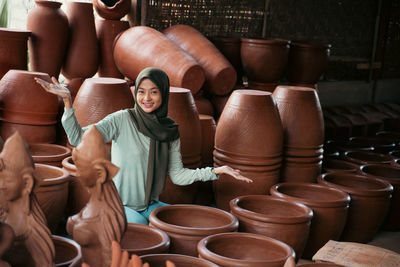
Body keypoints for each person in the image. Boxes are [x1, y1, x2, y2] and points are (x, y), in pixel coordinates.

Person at [35, 67, 252, 224]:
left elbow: (177, 176)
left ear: (163, 94)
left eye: (154, 91)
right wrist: (67, 102)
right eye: (141, 91)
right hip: (121, 205)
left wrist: (217, 171)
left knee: (184, 222)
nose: (146, 98)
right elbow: (78, 138)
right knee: (143, 231)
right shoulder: (122, 119)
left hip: (150, 205)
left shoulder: (170, 130)